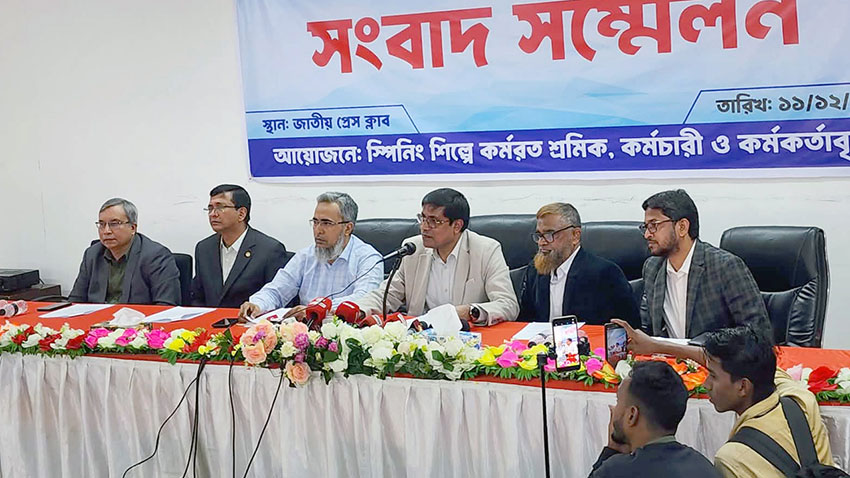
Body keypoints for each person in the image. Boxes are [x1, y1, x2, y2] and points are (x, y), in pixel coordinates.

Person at [611, 319, 835, 478]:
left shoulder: (732, 460)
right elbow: (736, 363)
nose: (706, 383)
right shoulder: (799, 398)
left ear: (742, 387)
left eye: (713, 376)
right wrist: (655, 345)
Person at [355, 188, 518, 325]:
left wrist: (470, 311)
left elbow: (508, 305)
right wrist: (359, 310)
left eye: (433, 221)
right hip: (419, 336)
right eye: (423, 218)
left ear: (457, 225)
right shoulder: (413, 249)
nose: (424, 227)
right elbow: (387, 295)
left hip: (467, 337)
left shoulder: (485, 250)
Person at [639, 189, 770, 339]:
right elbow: (648, 332)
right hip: (667, 354)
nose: (647, 235)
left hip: (714, 353)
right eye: (645, 227)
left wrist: (702, 348)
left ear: (682, 227)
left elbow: (757, 334)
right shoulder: (652, 268)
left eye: (654, 225)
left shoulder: (724, 267)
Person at [239, 192, 382, 320]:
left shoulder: (368, 258)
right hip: (305, 333)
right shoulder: (305, 256)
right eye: (315, 222)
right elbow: (277, 290)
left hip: (348, 332)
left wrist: (314, 309)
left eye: (326, 223)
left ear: (347, 228)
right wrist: (257, 304)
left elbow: (364, 299)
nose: (318, 230)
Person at [589, 360, 720, 477]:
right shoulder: (705, 467)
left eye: (618, 402)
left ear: (632, 416)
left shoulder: (615, 471)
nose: (615, 409)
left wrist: (612, 449)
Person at [518, 202, 639, 326]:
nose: (541, 242)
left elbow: (629, 327)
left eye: (550, 234)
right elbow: (525, 321)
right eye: (539, 235)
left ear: (575, 235)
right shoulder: (535, 269)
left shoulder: (605, 273)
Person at [191, 184, 288, 308]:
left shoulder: (270, 250)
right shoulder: (204, 248)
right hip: (210, 319)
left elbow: (277, 299)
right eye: (210, 208)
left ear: (241, 213)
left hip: (249, 319)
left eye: (220, 207)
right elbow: (197, 297)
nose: (213, 214)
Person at [69, 198, 180, 305]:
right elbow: (76, 300)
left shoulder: (156, 256)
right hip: (97, 317)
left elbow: (166, 304)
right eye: (102, 224)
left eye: (114, 224)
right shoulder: (92, 254)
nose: (106, 231)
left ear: (132, 228)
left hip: (139, 317)